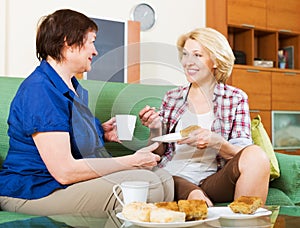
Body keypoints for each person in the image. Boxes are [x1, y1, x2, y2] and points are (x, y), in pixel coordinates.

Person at [0, 9, 173, 217]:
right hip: (34, 191)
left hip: (58, 185)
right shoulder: (40, 90)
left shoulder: (73, 87)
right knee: (149, 185)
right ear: (68, 42)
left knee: (164, 179)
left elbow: (66, 138)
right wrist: (131, 160)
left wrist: (101, 133)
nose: (95, 51)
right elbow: (64, 171)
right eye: (91, 42)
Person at [139, 27, 270, 207]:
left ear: (215, 61)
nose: (188, 62)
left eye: (197, 55)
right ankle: (194, 196)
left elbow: (241, 154)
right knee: (182, 187)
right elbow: (157, 153)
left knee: (257, 155)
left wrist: (216, 142)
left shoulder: (235, 98)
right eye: (185, 55)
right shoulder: (172, 97)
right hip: (174, 178)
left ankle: (243, 220)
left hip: (214, 179)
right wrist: (155, 128)